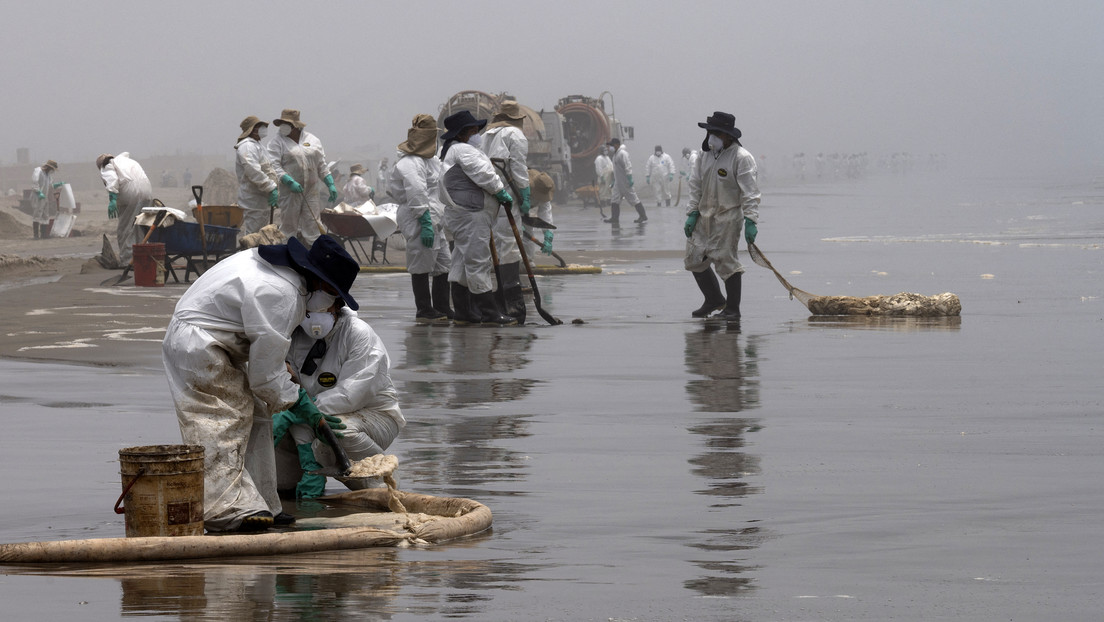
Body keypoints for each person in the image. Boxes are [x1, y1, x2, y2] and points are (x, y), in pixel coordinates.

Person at [162, 234, 360, 532]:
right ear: (317, 280)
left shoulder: (284, 276)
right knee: (223, 419)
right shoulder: (281, 293)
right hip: (198, 343)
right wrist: (299, 402)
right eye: (332, 293)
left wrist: (284, 377)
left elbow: (268, 350)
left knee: (257, 415)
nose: (331, 302)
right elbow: (265, 378)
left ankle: (263, 503)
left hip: (212, 339)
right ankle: (224, 510)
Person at [274, 298, 405, 498]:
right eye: (310, 308)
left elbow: (351, 395)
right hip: (312, 416)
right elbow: (293, 391)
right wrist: (303, 438)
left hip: (371, 415)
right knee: (270, 432)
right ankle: (307, 473)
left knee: (338, 430)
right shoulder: (292, 336)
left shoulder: (358, 334)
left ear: (336, 305)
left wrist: (302, 410)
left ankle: (380, 487)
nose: (315, 315)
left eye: (323, 307)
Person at [438, 110, 516, 325]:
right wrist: (500, 191)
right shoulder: (464, 150)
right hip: (472, 215)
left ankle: (463, 313)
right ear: (462, 133)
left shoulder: (451, 150)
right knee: (478, 262)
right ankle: (490, 313)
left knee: (462, 261)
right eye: (472, 130)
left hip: (463, 214)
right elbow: (483, 173)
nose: (476, 134)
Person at [683, 111, 760, 320]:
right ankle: (714, 299)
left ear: (728, 136)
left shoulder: (742, 158)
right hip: (703, 215)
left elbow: (750, 193)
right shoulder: (704, 156)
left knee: (726, 262)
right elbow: (695, 185)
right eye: (710, 132)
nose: (712, 137)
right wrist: (692, 213)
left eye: (717, 133)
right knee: (693, 259)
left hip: (728, 217)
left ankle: (733, 309)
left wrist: (751, 220)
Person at [390, 113, 452, 322]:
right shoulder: (410, 163)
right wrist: (424, 221)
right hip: (418, 216)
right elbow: (416, 192)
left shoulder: (431, 161)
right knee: (421, 262)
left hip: (435, 217)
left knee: (443, 262)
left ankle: (442, 306)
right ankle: (424, 309)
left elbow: (439, 187)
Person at [482, 99, 531, 323]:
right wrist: (525, 194)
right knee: (509, 245)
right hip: (508, 196)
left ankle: (499, 298)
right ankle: (513, 302)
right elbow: (519, 168)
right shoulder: (516, 136)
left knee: (494, 247)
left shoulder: (485, 136)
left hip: (488, 195)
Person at [264, 109, 336, 245]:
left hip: (311, 191)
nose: (283, 126)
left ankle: (314, 254)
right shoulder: (277, 142)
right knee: (288, 225)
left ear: (296, 125)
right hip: (290, 192)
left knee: (313, 224)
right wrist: (288, 180)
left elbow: (321, 164)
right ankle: (287, 254)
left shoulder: (312, 140)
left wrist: (329, 182)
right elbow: (274, 165)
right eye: (282, 123)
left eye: (287, 123)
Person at [96, 152, 153, 266]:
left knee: (126, 228)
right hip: (147, 192)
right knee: (140, 227)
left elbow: (112, 180)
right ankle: (143, 257)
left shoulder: (107, 165)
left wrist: (112, 199)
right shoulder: (128, 161)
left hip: (130, 194)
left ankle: (128, 261)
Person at [234, 116, 279, 238]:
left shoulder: (257, 146)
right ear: (253, 129)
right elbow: (253, 171)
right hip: (253, 200)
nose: (263, 129)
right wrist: (271, 187)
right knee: (254, 236)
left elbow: (268, 168)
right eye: (260, 127)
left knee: (261, 236)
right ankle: (250, 256)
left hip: (261, 199)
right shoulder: (247, 146)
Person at [606, 137, 647, 225]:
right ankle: (614, 218)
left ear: (616, 145)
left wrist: (629, 178)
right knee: (614, 200)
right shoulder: (615, 155)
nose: (610, 147)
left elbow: (628, 166)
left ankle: (643, 216)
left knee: (633, 199)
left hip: (625, 182)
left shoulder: (622, 154)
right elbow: (616, 170)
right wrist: (614, 180)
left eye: (612, 145)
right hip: (618, 182)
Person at [525, 168, 555, 257]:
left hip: (525, 211)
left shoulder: (544, 188)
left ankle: (528, 261)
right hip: (509, 209)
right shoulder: (522, 185)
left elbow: (546, 214)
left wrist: (548, 234)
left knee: (527, 233)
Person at [31, 159, 63, 239]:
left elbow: (51, 185)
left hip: (44, 197)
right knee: (37, 214)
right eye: (52, 169)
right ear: (48, 167)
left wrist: (58, 184)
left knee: (45, 215)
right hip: (38, 196)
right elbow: (35, 183)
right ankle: (36, 235)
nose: (52, 171)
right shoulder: (38, 171)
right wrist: (39, 192)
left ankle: (44, 234)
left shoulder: (48, 175)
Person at [594, 146, 614, 214]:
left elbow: (611, 165)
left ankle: (608, 201)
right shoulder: (599, 158)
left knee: (609, 189)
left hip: (609, 176)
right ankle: (602, 202)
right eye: (604, 150)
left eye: (606, 150)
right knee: (603, 189)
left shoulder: (607, 157)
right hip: (603, 176)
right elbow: (598, 168)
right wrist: (601, 176)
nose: (606, 151)